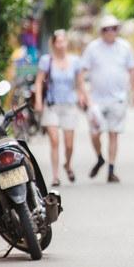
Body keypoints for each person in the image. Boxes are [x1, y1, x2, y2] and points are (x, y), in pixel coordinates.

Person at [81, 15, 134, 183]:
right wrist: (83, 94)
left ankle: (111, 169)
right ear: (101, 31)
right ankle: (100, 157)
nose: (110, 32)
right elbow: (82, 72)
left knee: (114, 133)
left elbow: (132, 70)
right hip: (96, 100)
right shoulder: (93, 48)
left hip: (118, 98)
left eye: (113, 28)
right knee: (95, 133)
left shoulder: (124, 47)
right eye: (106, 29)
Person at [34, 30, 86, 187]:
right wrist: (38, 101)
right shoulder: (46, 60)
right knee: (54, 140)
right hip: (52, 105)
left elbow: (79, 82)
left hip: (69, 105)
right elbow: (38, 82)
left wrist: (83, 96)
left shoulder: (75, 61)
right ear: (54, 44)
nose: (61, 45)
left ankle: (67, 164)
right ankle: (55, 176)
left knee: (69, 145)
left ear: (66, 43)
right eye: (58, 42)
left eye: (64, 41)